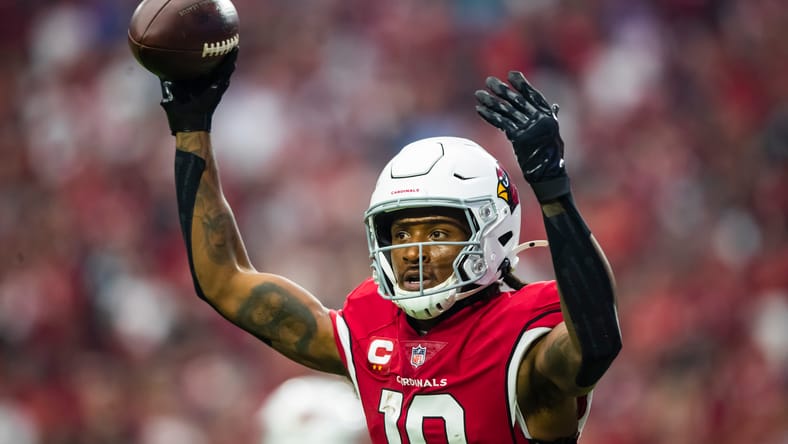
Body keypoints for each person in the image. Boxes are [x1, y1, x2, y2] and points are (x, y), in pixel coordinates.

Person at [157, 49, 622, 443]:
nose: (412, 252)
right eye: (400, 235)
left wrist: (553, 191)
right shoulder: (371, 328)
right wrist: (191, 128)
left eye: (437, 234)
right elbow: (223, 281)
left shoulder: (522, 334)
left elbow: (597, 345)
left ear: (493, 233)